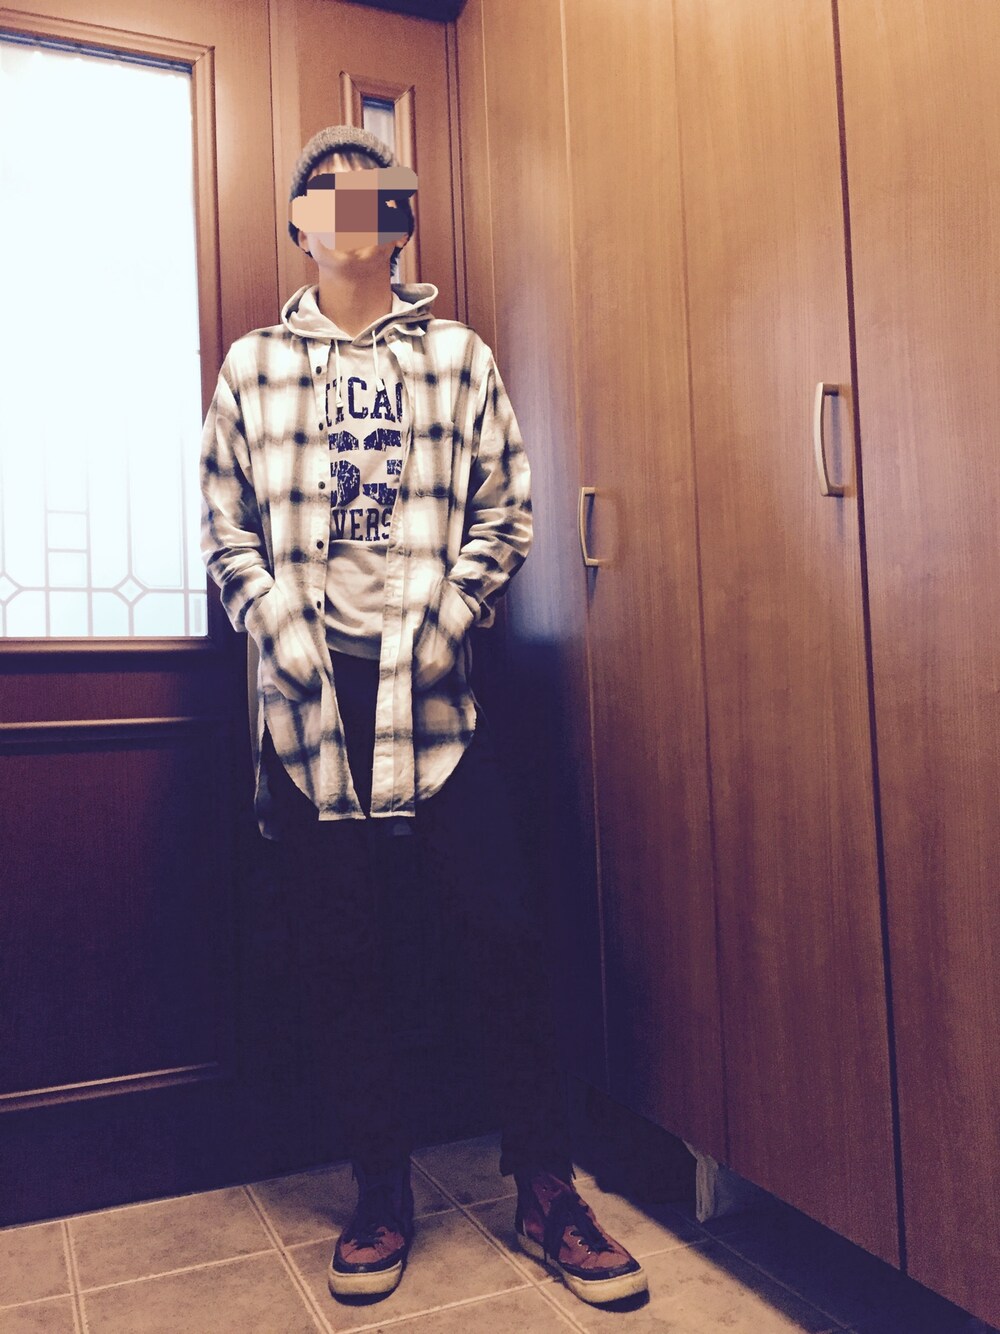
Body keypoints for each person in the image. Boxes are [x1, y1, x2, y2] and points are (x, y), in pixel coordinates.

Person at [199, 123, 647, 1307]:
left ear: (400, 222)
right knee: (342, 953)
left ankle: (545, 1190)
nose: (350, 207)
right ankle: (381, 1192)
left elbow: (507, 507)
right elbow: (222, 524)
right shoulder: (253, 365)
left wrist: (452, 610)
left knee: (504, 934)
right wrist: (275, 622)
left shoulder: (459, 357)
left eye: (374, 191)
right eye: (326, 192)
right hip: (311, 703)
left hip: (438, 694)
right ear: (297, 226)